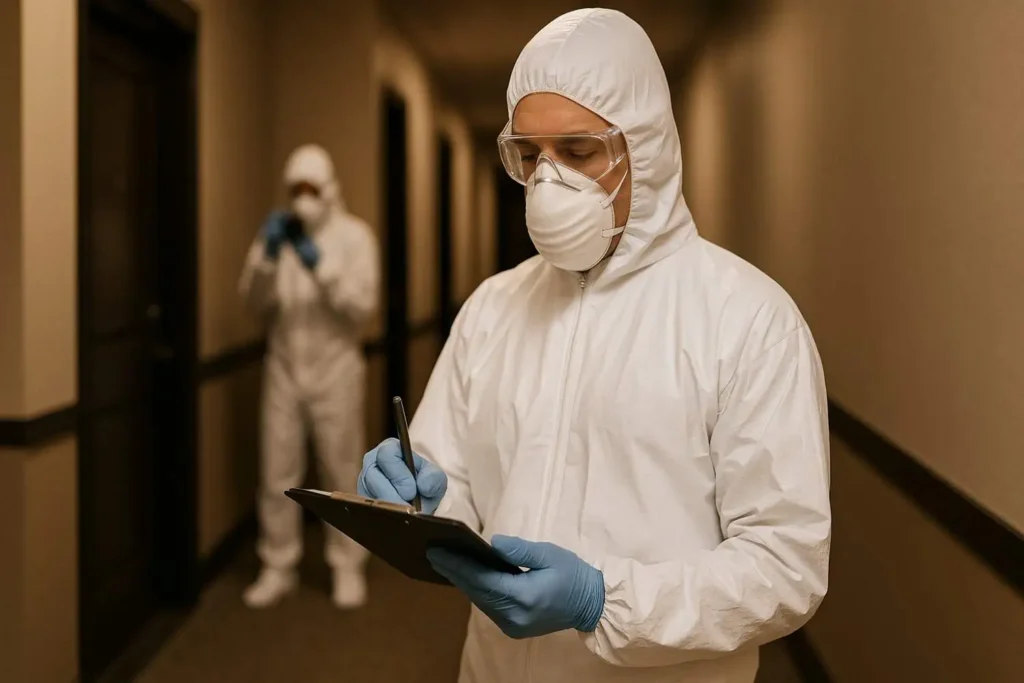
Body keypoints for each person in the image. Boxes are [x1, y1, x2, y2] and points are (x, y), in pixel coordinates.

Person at [359, 7, 830, 683]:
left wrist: (601, 600)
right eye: (529, 155)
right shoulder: (494, 307)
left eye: (578, 152)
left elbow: (785, 566)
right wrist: (418, 500)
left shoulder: (747, 320)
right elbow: (456, 479)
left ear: (647, 148)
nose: (548, 181)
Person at [239, 144, 380, 610]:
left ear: (329, 189)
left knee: (340, 470)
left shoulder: (356, 237)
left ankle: (347, 565)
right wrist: (266, 258)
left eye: (310, 189)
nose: (303, 198)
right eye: (295, 189)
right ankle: (277, 564)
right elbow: (254, 302)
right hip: (282, 368)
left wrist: (320, 266)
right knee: (276, 470)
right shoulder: (277, 237)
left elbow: (361, 307)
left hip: (336, 370)